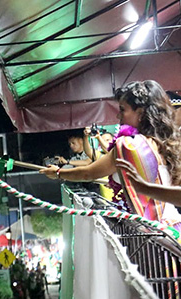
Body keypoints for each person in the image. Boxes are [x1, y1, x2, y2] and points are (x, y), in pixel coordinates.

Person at [41, 80, 181, 231]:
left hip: (154, 235)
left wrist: (58, 173)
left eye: (122, 109)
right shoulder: (167, 142)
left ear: (140, 113)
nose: (118, 115)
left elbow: (89, 173)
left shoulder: (130, 146)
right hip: (173, 231)